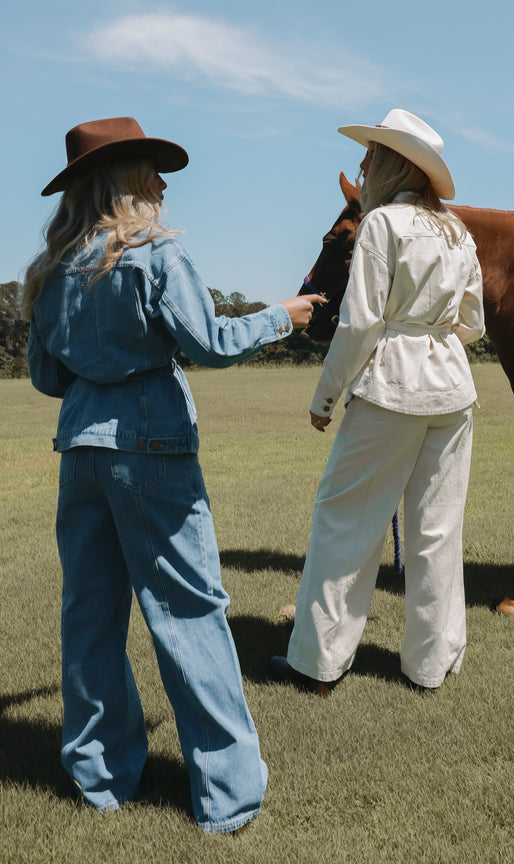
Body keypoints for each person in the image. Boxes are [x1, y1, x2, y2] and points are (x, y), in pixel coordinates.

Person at [22, 117, 322, 832]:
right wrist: (281, 316)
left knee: (90, 615)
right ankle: (228, 795)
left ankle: (101, 780)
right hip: (151, 448)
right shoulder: (155, 253)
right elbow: (210, 343)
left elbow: (45, 376)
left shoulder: (51, 270)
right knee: (189, 613)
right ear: (124, 178)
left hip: (81, 451)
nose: (162, 183)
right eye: (152, 170)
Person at [270, 108, 485, 693]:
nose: (363, 164)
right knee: (437, 529)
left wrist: (325, 396)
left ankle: (317, 665)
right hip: (453, 391)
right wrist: (431, 333)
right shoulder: (458, 231)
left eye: (372, 154)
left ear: (394, 163)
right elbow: (473, 324)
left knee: (344, 520)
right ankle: (430, 666)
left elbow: (360, 322)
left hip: (392, 386)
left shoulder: (381, 224)